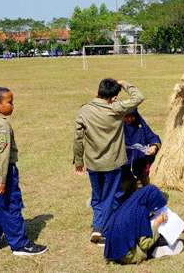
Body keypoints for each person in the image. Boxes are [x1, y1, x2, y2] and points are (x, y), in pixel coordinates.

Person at [73, 78, 144, 245]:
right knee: (110, 196)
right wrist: (125, 83)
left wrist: (78, 161)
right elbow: (138, 97)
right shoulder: (116, 108)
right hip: (113, 163)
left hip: (93, 163)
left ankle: (98, 225)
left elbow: (77, 139)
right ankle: (101, 230)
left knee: (97, 196)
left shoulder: (84, 111)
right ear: (113, 97)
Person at [0, 86, 47, 256]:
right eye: (9, 102)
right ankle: (19, 245)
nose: (12, 106)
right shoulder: (2, 125)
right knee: (10, 205)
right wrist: (2, 179)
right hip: (1, 170)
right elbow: (3, 153)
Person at [103, 184, 184, 264]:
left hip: (114, 250)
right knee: (165, 238)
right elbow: (144, 244)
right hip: (127, 254)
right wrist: (157, 223)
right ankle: (156, 251)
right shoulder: (140, 214)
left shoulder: (132, 204)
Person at [123, 110, 161, 185]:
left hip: (140, 162)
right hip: (124, 163)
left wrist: (154, 146)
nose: (129, 119)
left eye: (132, 117)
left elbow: (152, 137)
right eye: (126, 117)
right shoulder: (117, 127)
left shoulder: (140, 125)